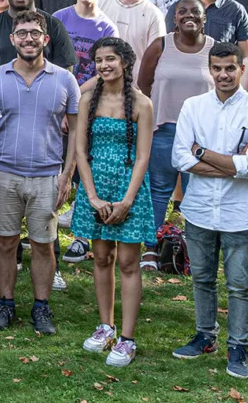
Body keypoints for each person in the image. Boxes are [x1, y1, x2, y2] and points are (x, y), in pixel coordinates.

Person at [169, 41, 248, 378]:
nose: (224, 74)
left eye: (230, 68)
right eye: (217, 68)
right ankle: (205, 336)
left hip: (239, 213)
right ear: (209, 70)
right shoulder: (193, 106)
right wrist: (228, 163)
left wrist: (203, 153)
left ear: (242, 69)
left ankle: (238, 347)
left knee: (239, 284)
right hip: (199, 209)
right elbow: (179, 158)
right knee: (202, 278)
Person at [0, 10, 79, 336]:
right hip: (4, 173)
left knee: (44, 244)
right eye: (21, 33)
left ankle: (41, 306)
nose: (28, 38)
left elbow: (77, 132)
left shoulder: (64, 79)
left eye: (34, 33)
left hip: (47, 176)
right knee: (5, 243)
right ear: (12, 39)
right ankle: (5, 303)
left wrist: (67, 175)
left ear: (45, 39)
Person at [69, 36, 154, 367]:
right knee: (101, 257)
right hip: (96, 188)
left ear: (125, 62)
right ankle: (105, 326)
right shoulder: (88, 99)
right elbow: (79, 151)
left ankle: (128, 339)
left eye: (111, 59)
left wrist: (127, 201)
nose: (104, 65)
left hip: (127, 189)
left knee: (129, 263)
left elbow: (144, 157)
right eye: (99, 60)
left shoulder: (141, 104)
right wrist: (91, 195)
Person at [136, 0, 212, 265]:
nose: (188, 15)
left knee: (195, 191)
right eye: (182, 11)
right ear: (174, 18)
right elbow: (143, 86)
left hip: (200, 135)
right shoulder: (161, 45)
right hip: (163, 129)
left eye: (195, 11)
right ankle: (150, 247)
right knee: (158, 189)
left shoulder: (214, 49)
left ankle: (190, 249)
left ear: (204, 18)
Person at [55, 0, 119, 82]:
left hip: (90, 95)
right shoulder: (59, 18)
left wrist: (78, 94)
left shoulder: (108, 29)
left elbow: (106, 72)